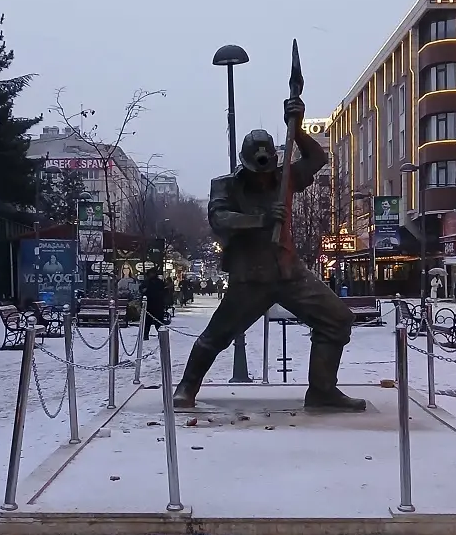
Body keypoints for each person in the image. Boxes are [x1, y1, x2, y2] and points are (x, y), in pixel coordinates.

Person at [172, 96, 364, 412]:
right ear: (244, 164)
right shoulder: (226, 186)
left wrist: (299, 128)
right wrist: (261, 219)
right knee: (216, 336)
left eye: (266, 168)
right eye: (255, 169)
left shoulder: (285, 178)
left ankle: (322, 391)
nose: (262, 175)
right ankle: (186, 387)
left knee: (337, 319)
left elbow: (317, 157)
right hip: (251, 277)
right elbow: (218, 219)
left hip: (289, 272)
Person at [142, 269, 167, 340]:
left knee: (158, 321)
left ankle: (161, 334)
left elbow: (163, 291)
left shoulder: (159, 282)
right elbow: (142, 290)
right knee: (147, 322)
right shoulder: (146, 282)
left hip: (158, 304)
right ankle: (145, 334)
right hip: (149, 304)